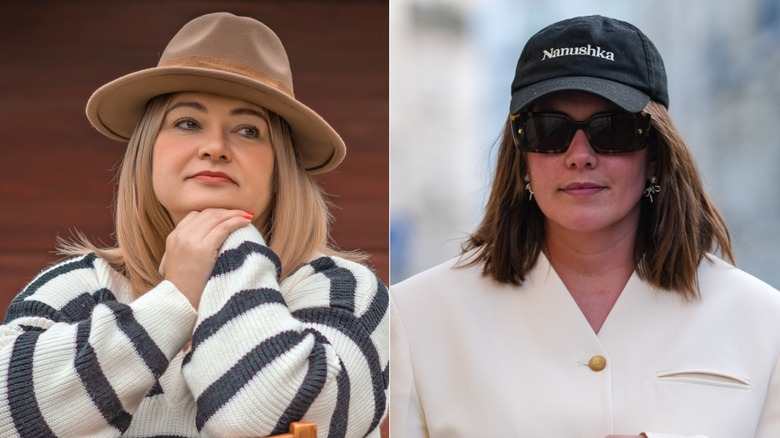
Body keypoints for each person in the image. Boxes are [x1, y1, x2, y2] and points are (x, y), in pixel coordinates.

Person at [390, 15, 780, 438]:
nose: (579, 155)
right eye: (548, 129)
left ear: (654, 155)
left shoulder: (763, 322)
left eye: (611, 129)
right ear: (521, 155)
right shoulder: (415, 317)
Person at [0, 12, 388, 438]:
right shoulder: (75, 288)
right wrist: (174, 300)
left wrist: (232, 242)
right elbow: (8, 416)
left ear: (280, 168)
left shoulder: (345, 293)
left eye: (247, 130)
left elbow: (260, 416)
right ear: (149, 150)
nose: (216, 147)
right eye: (188, 123)